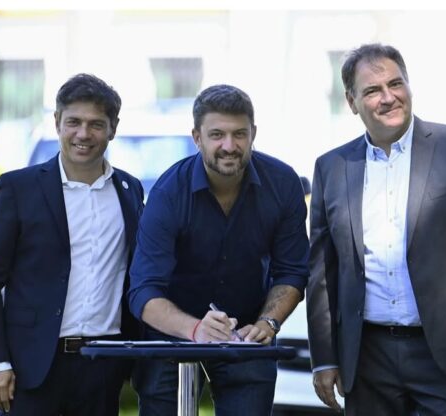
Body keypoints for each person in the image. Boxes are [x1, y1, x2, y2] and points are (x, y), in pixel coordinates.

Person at [306, 43, 446, 415]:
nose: (388, 97)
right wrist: (324, 357)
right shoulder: (331, 167)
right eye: (373, 90)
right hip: (366, 358)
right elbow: (322, 271)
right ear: (352, 102)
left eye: (395, 84)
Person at [128, 84, 310, 416]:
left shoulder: (283, 183)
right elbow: (143, 290)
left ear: (253, 134)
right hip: (171, 329)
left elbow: (292, 271)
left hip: (247, 329)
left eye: (239, 134)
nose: (229, 145)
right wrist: (196, 329)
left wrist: (268, 322)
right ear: (197, 137)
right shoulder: (169, 192)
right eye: (217, 135)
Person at [0, 73, 144, 416]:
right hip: (30, 367)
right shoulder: (18, 189)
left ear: (113, 128)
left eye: (96, 124)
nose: (83, 134)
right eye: (74, 122)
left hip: (102, 366)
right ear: (57, 122)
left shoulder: (130, 191)